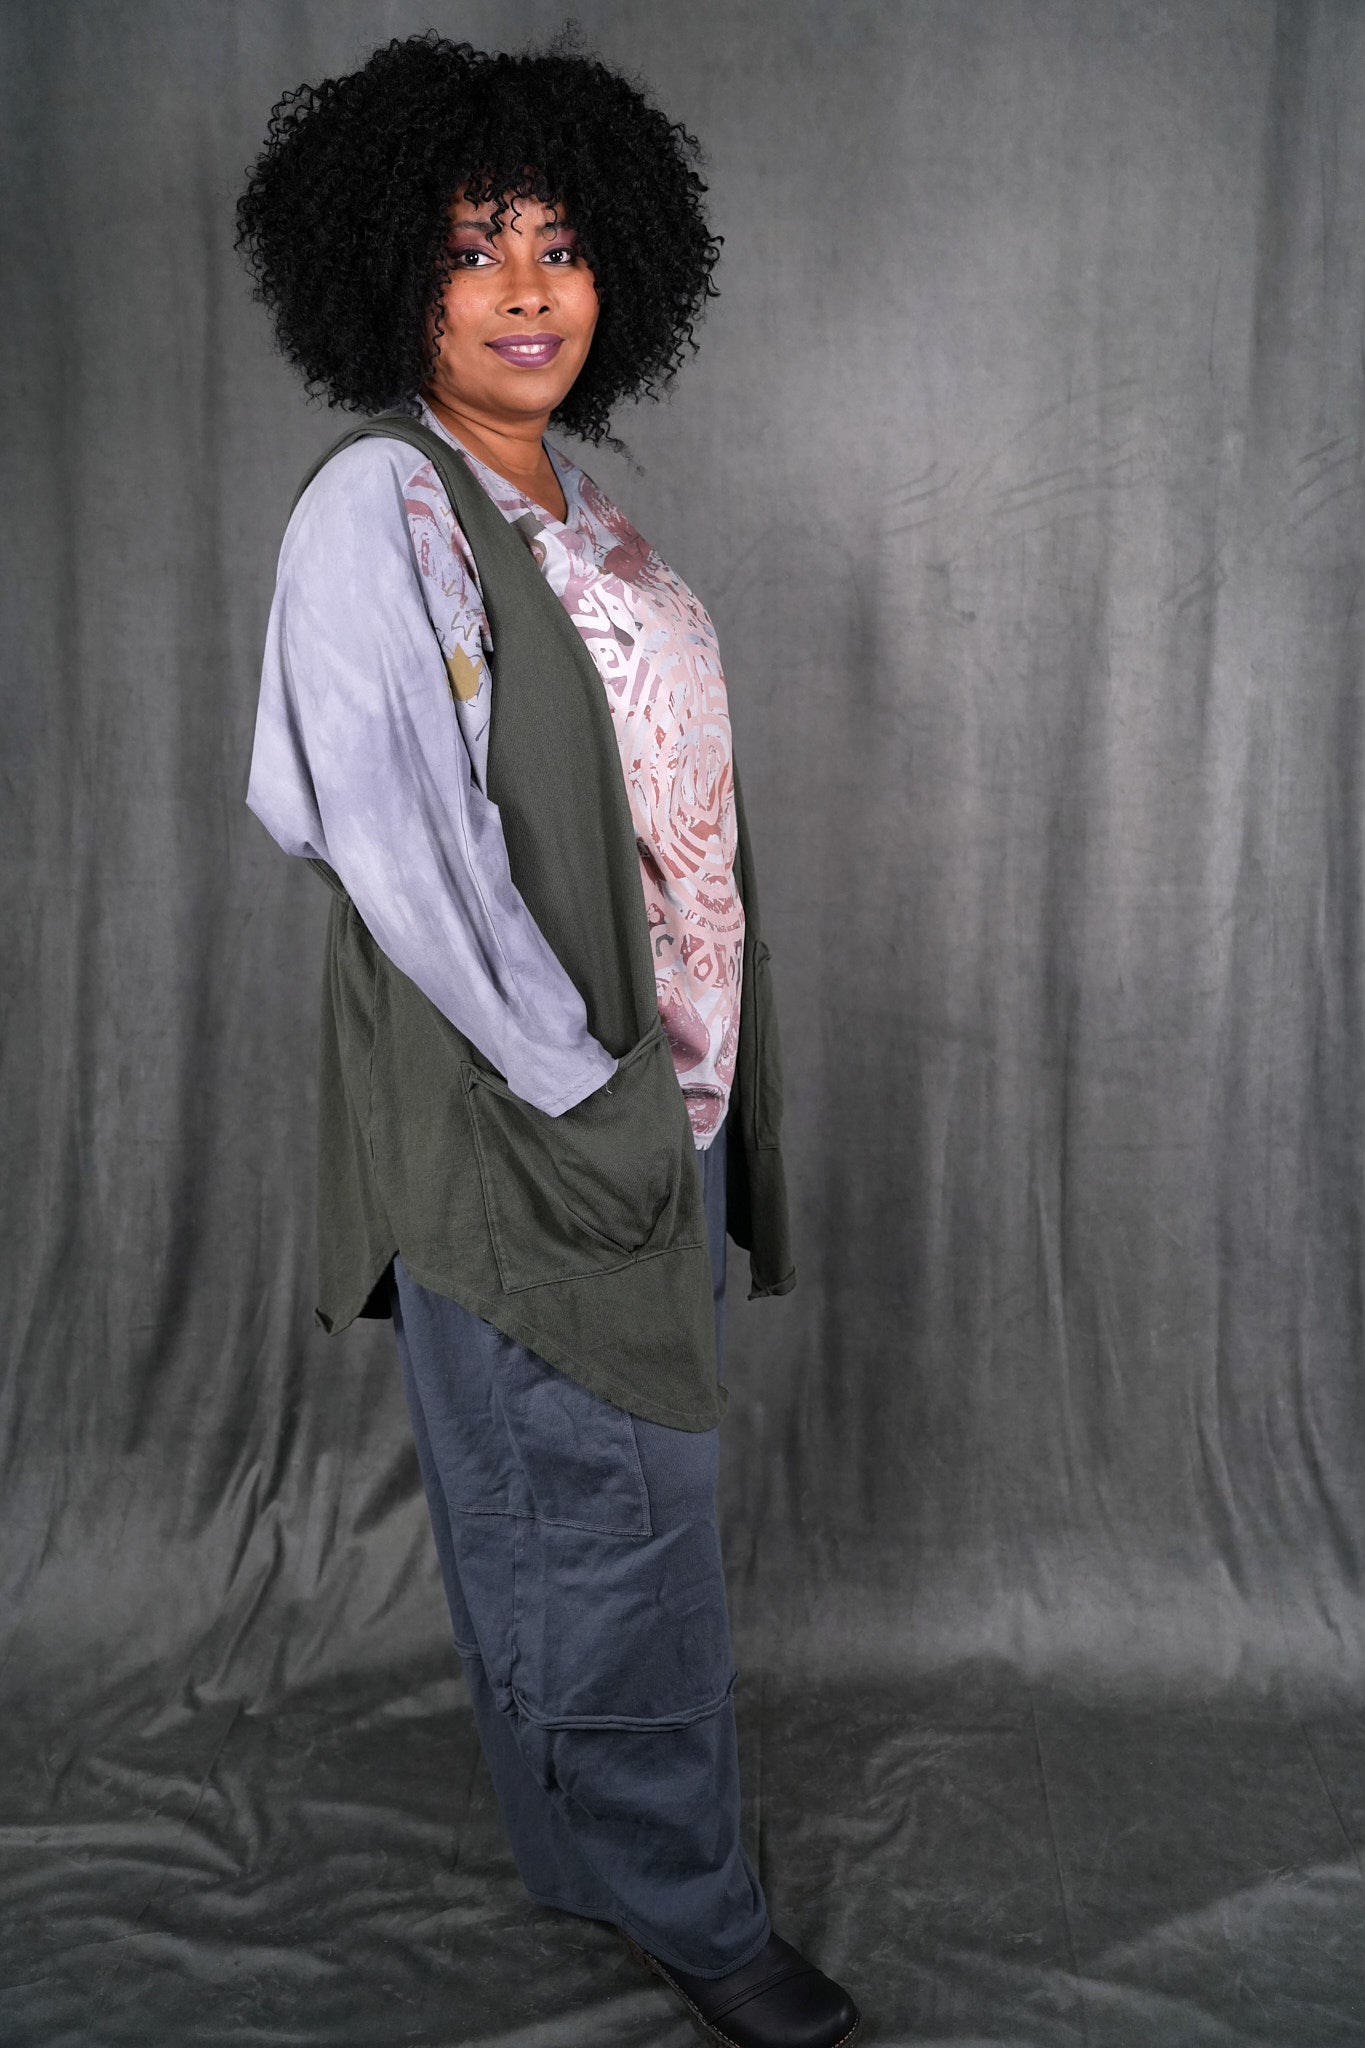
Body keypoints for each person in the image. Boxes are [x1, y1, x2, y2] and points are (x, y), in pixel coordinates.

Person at [236, 32, 860, 2048]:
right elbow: (395, 842)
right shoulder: (382, 506)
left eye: (561, 245)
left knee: (570, 1508)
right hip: (542, 1116)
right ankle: (694, 1914)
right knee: (607, 1528)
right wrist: (581, 1093)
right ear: (387, 279)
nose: (525, 289)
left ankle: (591, 1854)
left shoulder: (576, 512)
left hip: (650, 1102)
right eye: (470, 247)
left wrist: (670, 1098)